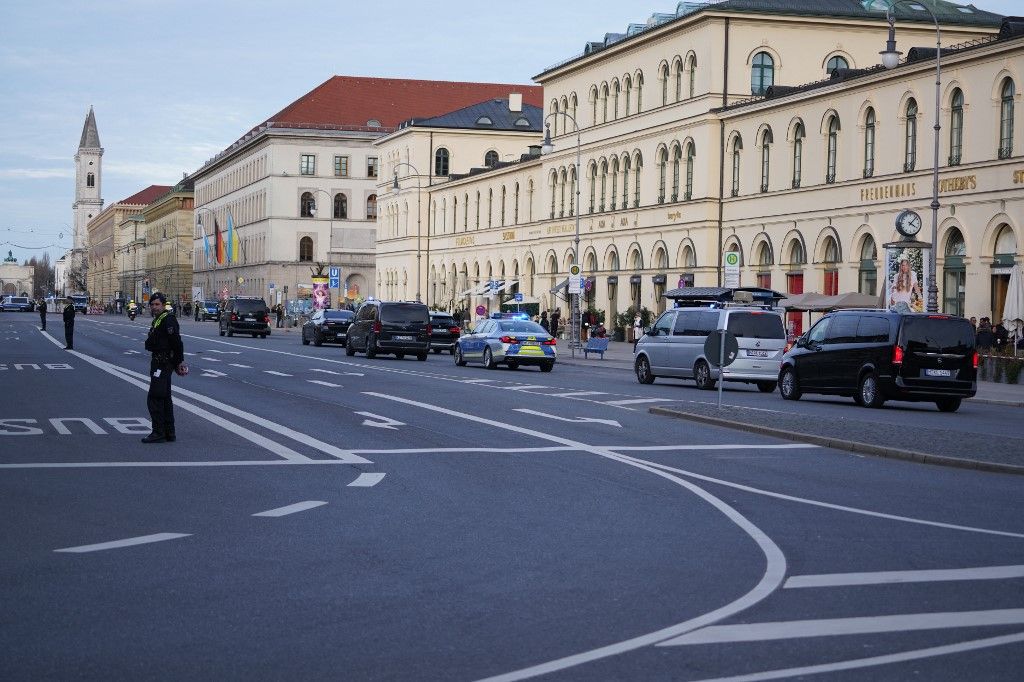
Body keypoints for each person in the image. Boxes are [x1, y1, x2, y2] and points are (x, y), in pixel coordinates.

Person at [142, 292, 187, 444]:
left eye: (157, 304)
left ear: (163, 305)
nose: (154, 307)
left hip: (162, 363)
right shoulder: (159, 319)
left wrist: (179, 362)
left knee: (155, 397)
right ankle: (169, 433)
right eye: (152, 304)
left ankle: (158, 432)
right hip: (160, 362)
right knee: (165, 397)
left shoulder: (168, 320)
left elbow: (177, 342)